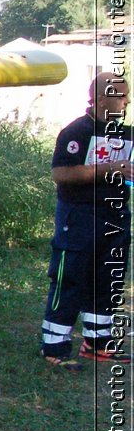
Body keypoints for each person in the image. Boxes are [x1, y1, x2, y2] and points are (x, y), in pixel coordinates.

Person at [40, 70, 132, 368]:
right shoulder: (76, 132)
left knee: (108, 281)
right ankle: (54, 347)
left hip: (116, 217)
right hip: (79, 216)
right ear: (102, 99)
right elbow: (60, 173)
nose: (127, 101)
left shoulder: (125, 133)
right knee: (69, 279)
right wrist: (109, 168)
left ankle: (98, 343)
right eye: (122, 96)